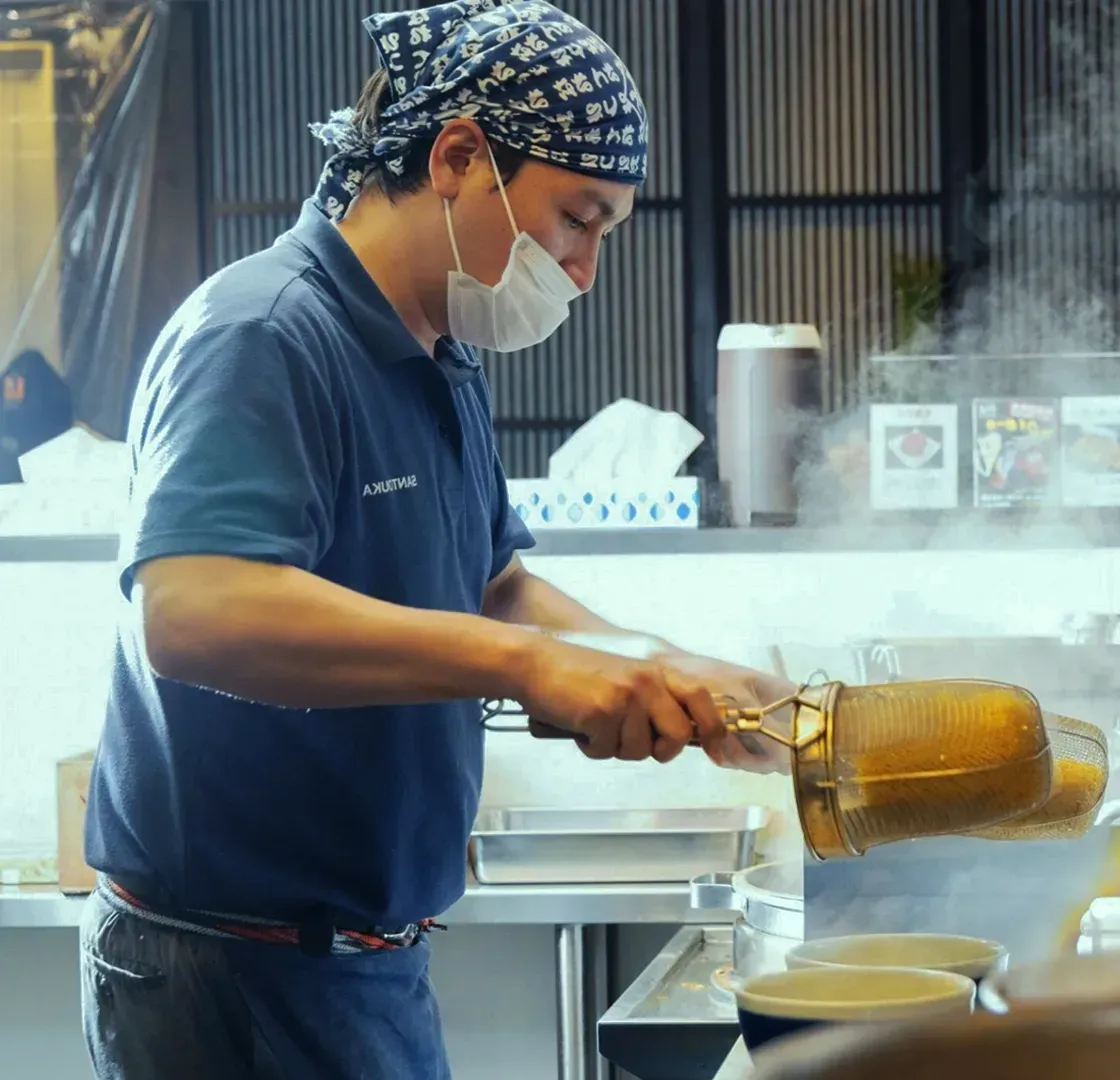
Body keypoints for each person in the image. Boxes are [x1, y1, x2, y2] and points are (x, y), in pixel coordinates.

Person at [79, 3, 788, 1076]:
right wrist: (536, 667)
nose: (585, 272)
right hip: (231, 972)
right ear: (459, 154)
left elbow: (493, 587)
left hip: (363, 963)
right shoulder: (264, 332)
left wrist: (657, 662)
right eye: (575, 220)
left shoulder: (436, 353)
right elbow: (193, 609)